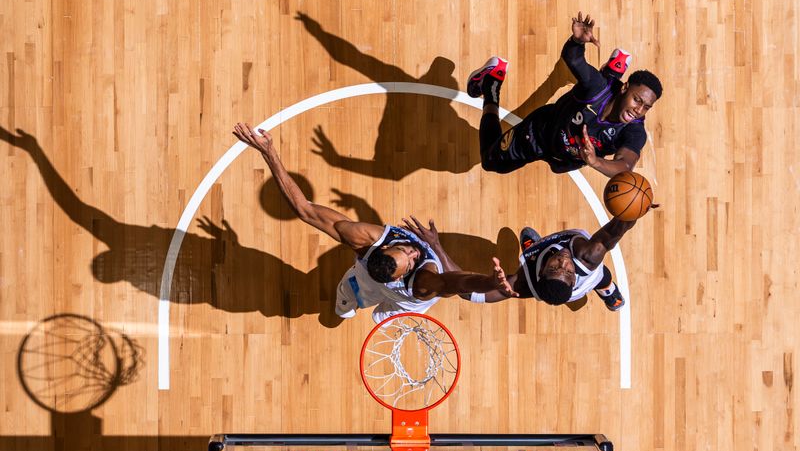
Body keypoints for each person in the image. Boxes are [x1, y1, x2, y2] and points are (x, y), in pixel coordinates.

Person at [232, 123, 515, 323]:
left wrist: (269, 152)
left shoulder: (379, 250)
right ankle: (349, 303)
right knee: (350, 297)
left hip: (400, 298)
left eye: (407, 251)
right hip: (386, 287)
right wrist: (487, 281)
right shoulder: (415, 276)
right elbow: (457, 281)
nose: (415, 252)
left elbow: (305, 210)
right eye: (412, 257)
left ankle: (371, 305)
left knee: (381, 309)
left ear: (382, 249)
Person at [469, 11, 663, 177]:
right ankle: (491, 84)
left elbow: (625, 166)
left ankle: (614, 69)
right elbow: (574, 60)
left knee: (606, 88)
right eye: (637, 100)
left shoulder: (634, 131)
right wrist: (576, 41)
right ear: (625, 88)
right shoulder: (596, 87)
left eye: (646, 107)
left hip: (566, 158)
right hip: (539, 134)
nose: (639, 110)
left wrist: (595, 162)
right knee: (491, 162)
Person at [460, 219, 637, 311]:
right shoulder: (588, 257)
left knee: (534, 265)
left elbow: (478, 294)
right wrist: (636, 208)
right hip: (588, 280)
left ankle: (537, 251)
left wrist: (454, 284)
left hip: (556, 284)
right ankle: (611, 296)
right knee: (603, 277)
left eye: (555, 266)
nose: (564, 261)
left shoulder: (526, 284)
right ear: (573, 279)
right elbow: (615, 230)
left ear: (542, 272)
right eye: (568, 271)